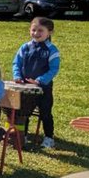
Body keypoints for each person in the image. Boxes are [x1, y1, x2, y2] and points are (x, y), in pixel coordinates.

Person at [12, 17, 60, 148]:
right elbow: (17, 63)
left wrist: (39, 81)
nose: (36, 33)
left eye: (40, 30)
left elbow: (53, 69)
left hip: (43, 88)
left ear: (49, 32)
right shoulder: (25, 47)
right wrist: (17, 76)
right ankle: (23, 135)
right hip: (25, 87)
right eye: (33, 30)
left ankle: (49, 137)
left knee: (45, 113)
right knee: (23, 112)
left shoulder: (52, 50)